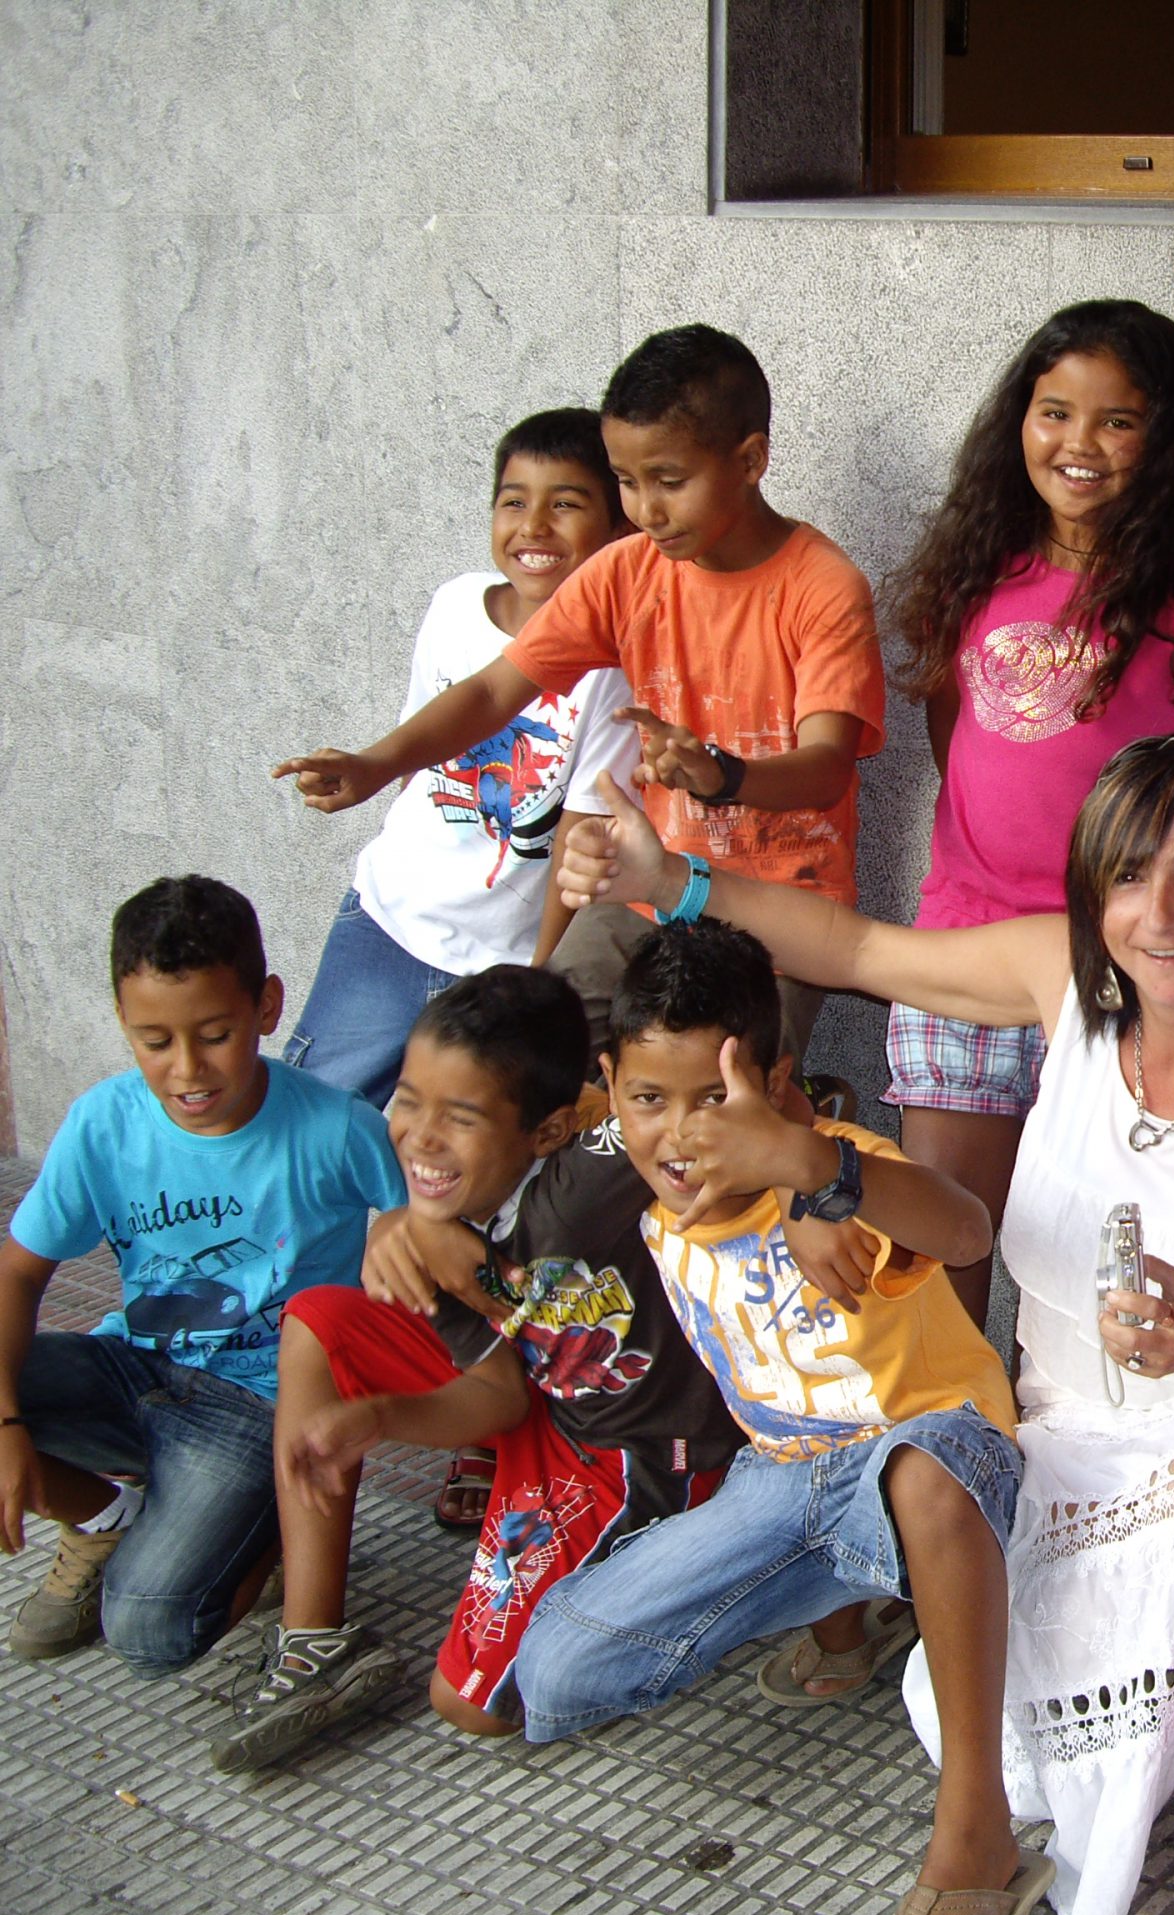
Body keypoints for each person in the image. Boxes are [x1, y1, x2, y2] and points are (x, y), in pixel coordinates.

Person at [554, 734, 1174, 1915]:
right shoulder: (1066, 987)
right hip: (1043, 1437)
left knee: (1111, 1709)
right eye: (1127, 875)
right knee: (982, 1705)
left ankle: (1014, 1832)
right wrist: (669, 879)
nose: (1157, 915)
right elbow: (853, 948)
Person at [505, 921, 1044, 1915]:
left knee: (917, 1472)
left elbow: (965, 1229)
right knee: (555, 1675)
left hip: (936, 1454)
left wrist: (817, 1171)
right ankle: (858, 1613)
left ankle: (977, 1822)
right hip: (785, 1479)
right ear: (610, 1090)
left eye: (715, 1100)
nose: (682, 1136)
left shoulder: (839, 1179)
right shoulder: (649, 1206)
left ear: (776, 1086)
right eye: (649, 1100)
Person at [275, 324, 884, 1062]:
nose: (646, 510)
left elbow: (826, 766)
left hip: (780, 918)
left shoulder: (823, 588)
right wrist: (378, 764)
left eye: (669, 481)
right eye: (626, 481)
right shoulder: (627, 571)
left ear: (750, 460)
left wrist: (722, 775)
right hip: (645, 891)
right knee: (532, 1061)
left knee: (722, 1104)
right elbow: (493, 691)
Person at [206, 964, 743, 1773]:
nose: (421, 1138)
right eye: (409, 1101)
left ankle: (699, 1574)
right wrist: (379, 1415)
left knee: (472, 1704)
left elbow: (685, 1104)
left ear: (549, 1131)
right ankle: (314, 1640)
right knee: (319, 1316)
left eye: (459, 1118)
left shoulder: (585, 1184)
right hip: (537, 1407)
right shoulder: (433, 1220)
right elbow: (495, 1399)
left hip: (634, 1453)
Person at [882, 298, 1174, 1325]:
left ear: (1167, 439)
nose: (1078, 444)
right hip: (964, 950)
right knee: (941, 1261)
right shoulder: (976, 569)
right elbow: (956, 735)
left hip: (1124, 970)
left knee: (1089, 1275)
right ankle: (959, 1426)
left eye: (1117, 421)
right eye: (1055, 412)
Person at [0, 877, 404, 1673]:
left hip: (257, 1409)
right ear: (123, 1022)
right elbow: (17, 1274)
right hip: (134, 1368)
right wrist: (6, 1424)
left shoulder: (337, 1128)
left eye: (216, 1034)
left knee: (149, 1632)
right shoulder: (103, 1122)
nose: (188, 1070)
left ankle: (268, 1530)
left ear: (267, 1007)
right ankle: (104, 1516)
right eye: (155, 1041)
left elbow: (424, 1234)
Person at [281, 408, 641, 1112]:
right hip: (388, 919)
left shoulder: (612, 667)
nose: (534, 527)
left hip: (500, 964)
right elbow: (422, 745)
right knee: (321, 1113)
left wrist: (541, 979)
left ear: (618, 531)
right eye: (514, 502)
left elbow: (580, 830)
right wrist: (367, 768)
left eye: (566, 505)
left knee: (462, 1142)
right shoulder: (454, 606)